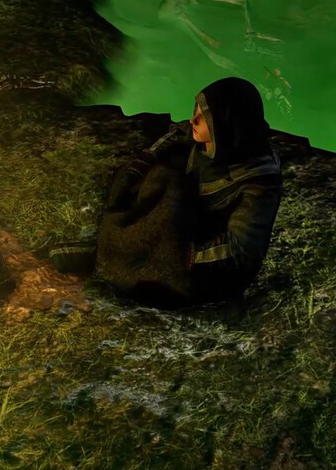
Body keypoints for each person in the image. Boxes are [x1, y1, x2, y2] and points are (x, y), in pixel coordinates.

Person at [94, 77, 284, 306]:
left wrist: (184, 255)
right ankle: (126, 246)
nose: (194, 119)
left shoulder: (260, 181)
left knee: (146, 268)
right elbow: (177, 133)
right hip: (187, 219)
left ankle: (127, 254)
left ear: (225, 123)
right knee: (157, 176)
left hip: (206, 261)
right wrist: (146, 159)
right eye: (196, 109)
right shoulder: (210, 136)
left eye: (205, 117)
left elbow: (240, 250)